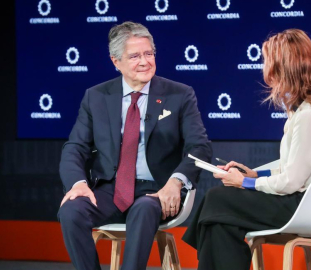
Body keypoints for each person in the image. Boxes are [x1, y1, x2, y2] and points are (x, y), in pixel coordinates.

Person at [182, 28, 311, 270]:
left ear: (284, 68)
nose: (265, 70)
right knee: (220, 219)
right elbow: (294, 169)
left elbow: (292, 182)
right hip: (302, 199)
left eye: (269, 63)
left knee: (217, 201)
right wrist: (255, 175)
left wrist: (244, 183)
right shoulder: (306, 110)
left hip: (306, 205)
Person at [58, 21, 212, 270]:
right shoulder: (96, 96)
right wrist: (79, 184)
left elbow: (200, 147)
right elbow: (75, 147)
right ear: (116, 62)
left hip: (158, 191)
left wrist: (176, 181)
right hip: (110, 190)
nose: (145, 61)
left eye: (149, 53)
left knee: (143, 208)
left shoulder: (180, 94)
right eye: (135, 56)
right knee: (71, 211)